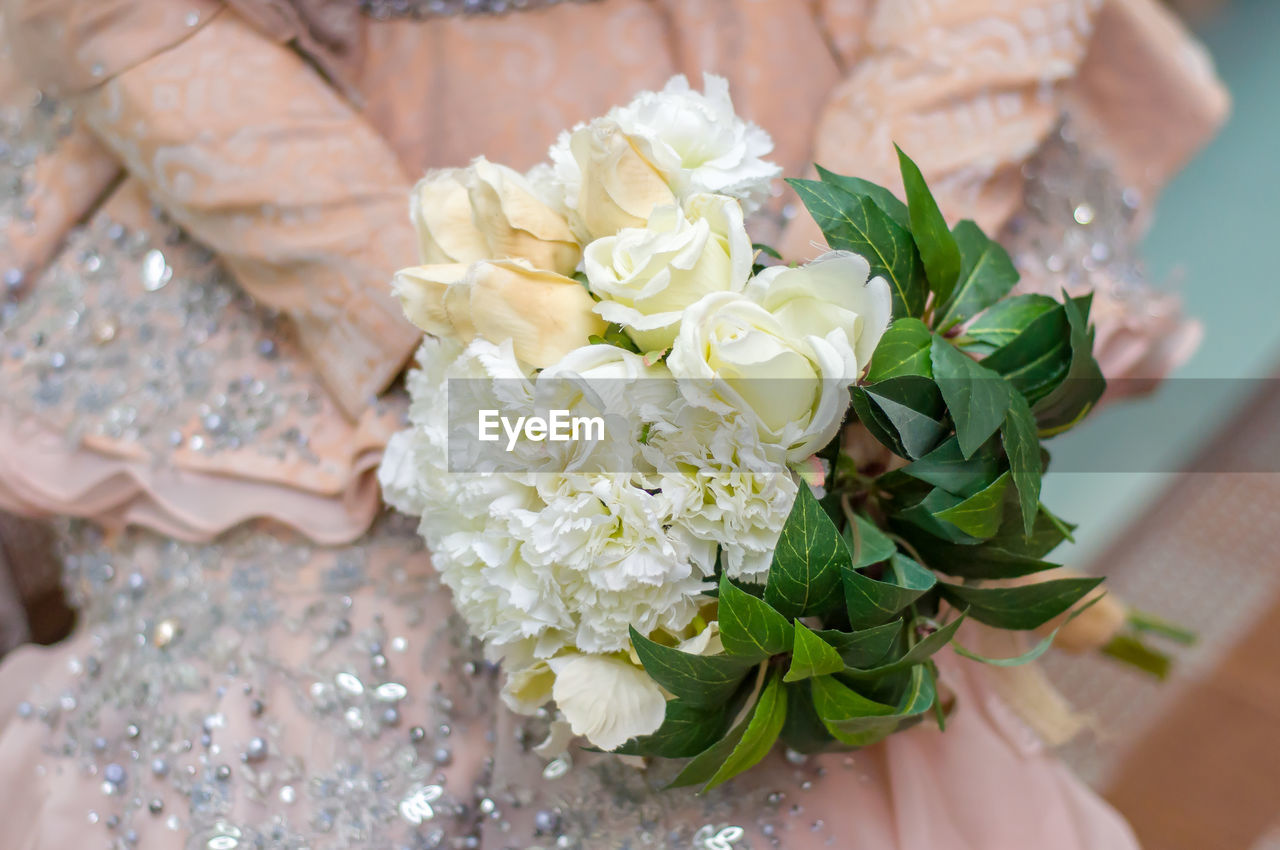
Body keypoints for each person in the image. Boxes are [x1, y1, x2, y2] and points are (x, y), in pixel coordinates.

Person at [0, 1, 1226, 847]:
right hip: (295, 209)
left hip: (757, 141)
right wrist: (450, 320)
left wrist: (823, 316)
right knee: (270, 755)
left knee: (808, 740)